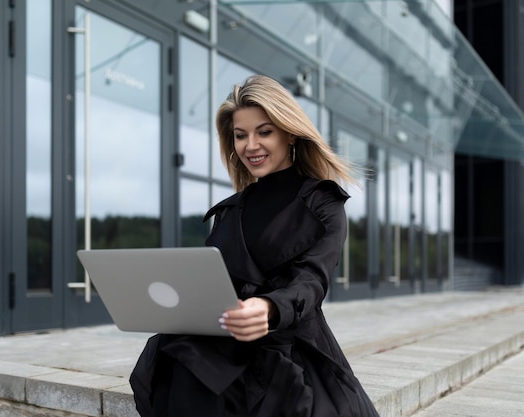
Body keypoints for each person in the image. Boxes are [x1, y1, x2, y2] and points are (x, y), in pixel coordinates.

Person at [129, 74, 380, 417]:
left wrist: (269, 308)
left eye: (264, 132)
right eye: (240, 135)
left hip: (289, 342)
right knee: (182, 359)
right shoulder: (230, 210)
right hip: (223, 339)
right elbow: (210, 284)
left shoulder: (323, 203)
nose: (251, 146)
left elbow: (312, 282)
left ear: (289, 132)